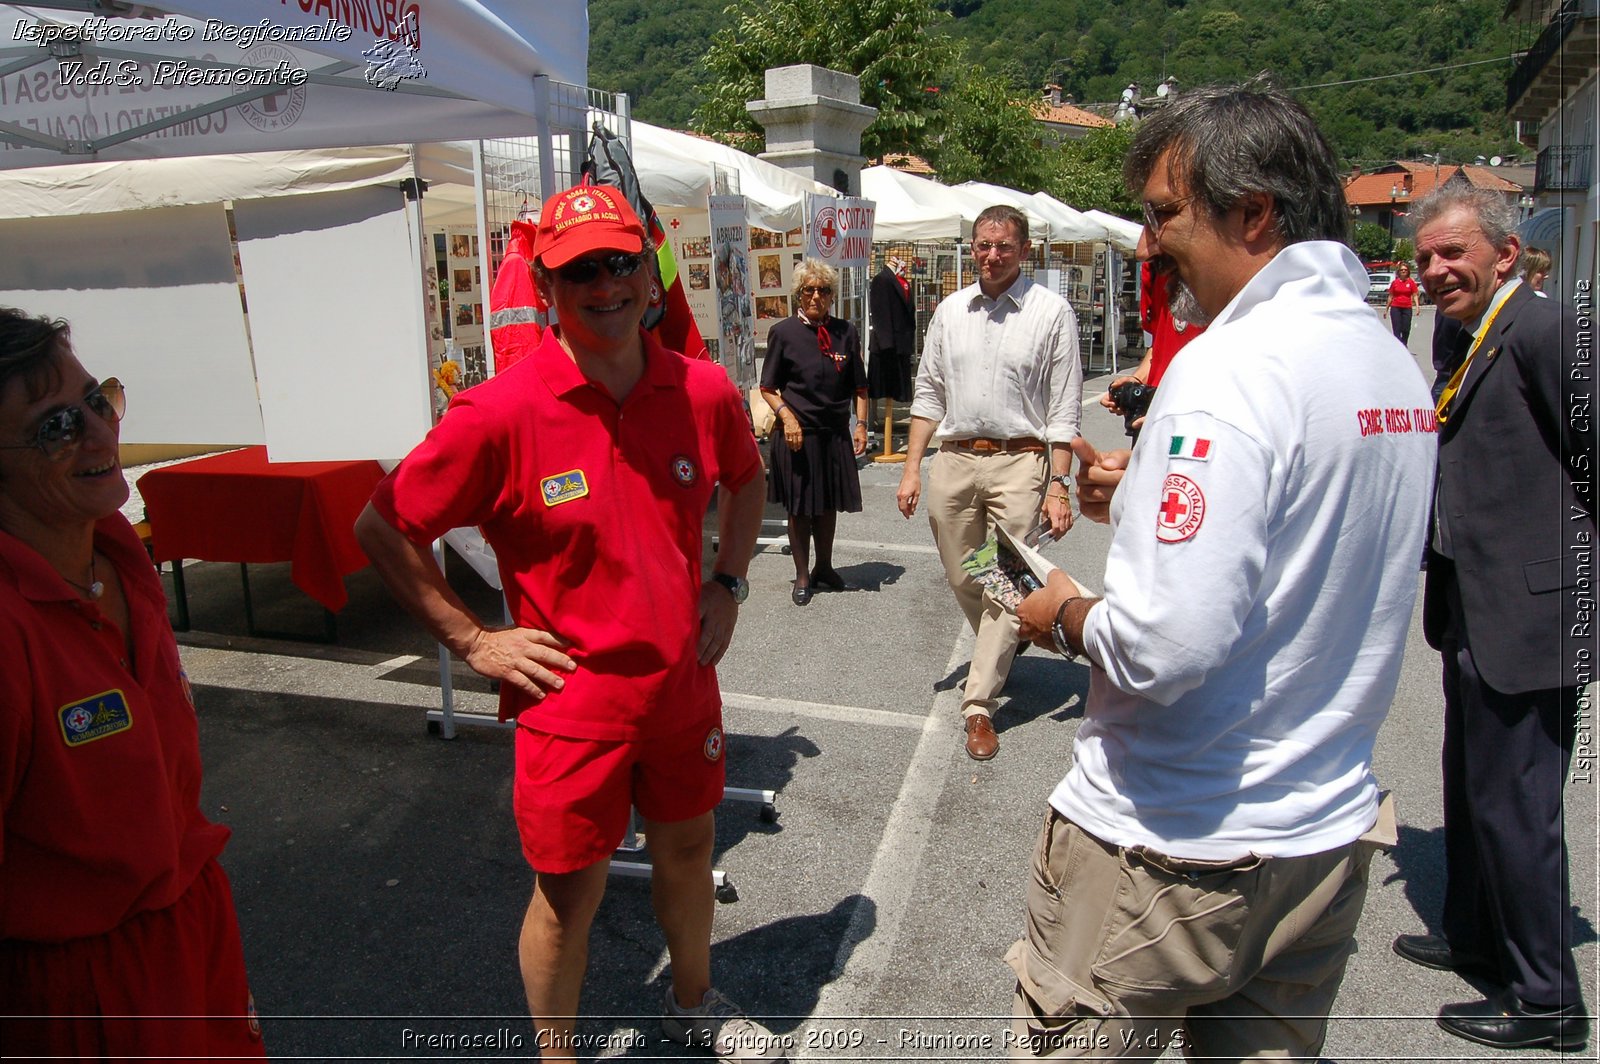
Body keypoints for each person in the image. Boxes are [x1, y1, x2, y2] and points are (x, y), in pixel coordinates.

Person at [1009, 83, 1436, 1059]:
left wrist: (1065, 611)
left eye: (1163, 215)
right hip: (1319, 838)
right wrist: (1151, 485)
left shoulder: (1229, 368)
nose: (1148, 244)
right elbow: (1310, 532)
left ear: (1254, 214)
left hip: (1169, 844)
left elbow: (1163, 644)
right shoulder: (1386, 363)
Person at [353, 184, 777, 1063]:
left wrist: (728, 581)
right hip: (570, 708)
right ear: (547, 284)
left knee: (690, 852)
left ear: (648, 271)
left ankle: (691, 1003)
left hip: (680, 690)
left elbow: (748, 480)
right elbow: (383, 523)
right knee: (567, 899)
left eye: (620, 260)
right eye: (580, 268)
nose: (605, 282)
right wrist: (472, 639)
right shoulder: (500, 411)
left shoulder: (698, 389)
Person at [0, 309, 264, 1059]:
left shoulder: (117, 554)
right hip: (75, 991)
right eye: (55, 427)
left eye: (98, 399)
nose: (97, 432)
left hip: (191, 933)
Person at [1391, 186, 1592, 1051]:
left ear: (1505, 254)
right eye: (1426, 258)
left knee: (1520, 806)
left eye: (1453, 255)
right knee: (1473, 787)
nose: (1436, 272)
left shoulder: (1548, 331)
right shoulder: (1460, 330)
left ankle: (1549, 1000)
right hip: (1470, 599)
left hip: (1533, 609)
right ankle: (1475, 934)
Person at [894, 204, 1086, 761]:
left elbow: (1064, 409)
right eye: (982, 245)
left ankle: (979, 705)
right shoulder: (951, 311)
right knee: (963, 574)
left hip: (1019, 463)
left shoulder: (1051, 313)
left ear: (1024, 250)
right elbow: (927, 393)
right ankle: (1020, 627)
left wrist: (1059, 485)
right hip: (954, 460)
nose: (992, 255)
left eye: (1004, 246)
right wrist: (911, 467)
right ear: (971, 248)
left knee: (1002, 579)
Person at [760, 259, 869, 605]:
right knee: (800, 507)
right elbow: (767, 387)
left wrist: (861, 424)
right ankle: (803, 574)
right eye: (809, 290)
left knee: (827, 505)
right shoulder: (783, 333)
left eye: (824, 290)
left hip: (834, 432)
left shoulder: (845, 332)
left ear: (832, 295)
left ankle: (825, 566)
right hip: (797, 434)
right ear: (798, 294)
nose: (816, 296)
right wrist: (786, 417)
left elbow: (860, 387)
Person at [1101, 258, 1208, 432]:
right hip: (1151, 418)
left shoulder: (1230, 278)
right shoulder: (1156, 267)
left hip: (1196, 424)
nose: (1142, 249)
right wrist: (1137, 381)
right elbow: (1160, 345)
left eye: (1156, 229)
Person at [1387, 261, 1421, 344]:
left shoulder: (1411, 282)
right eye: (1402, 270)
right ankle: (1398, 346)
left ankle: (1404, 343)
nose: (1403, 271)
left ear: (1408, 271)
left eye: (1405, 270)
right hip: (1396, 307)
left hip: (1407, 307)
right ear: (1399, 272)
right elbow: (1390, 296)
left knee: (1406, 328)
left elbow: (1415, 295)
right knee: (1397, 328)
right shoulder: (1395, 283)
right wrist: (1386, 309)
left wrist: (1417, 307)